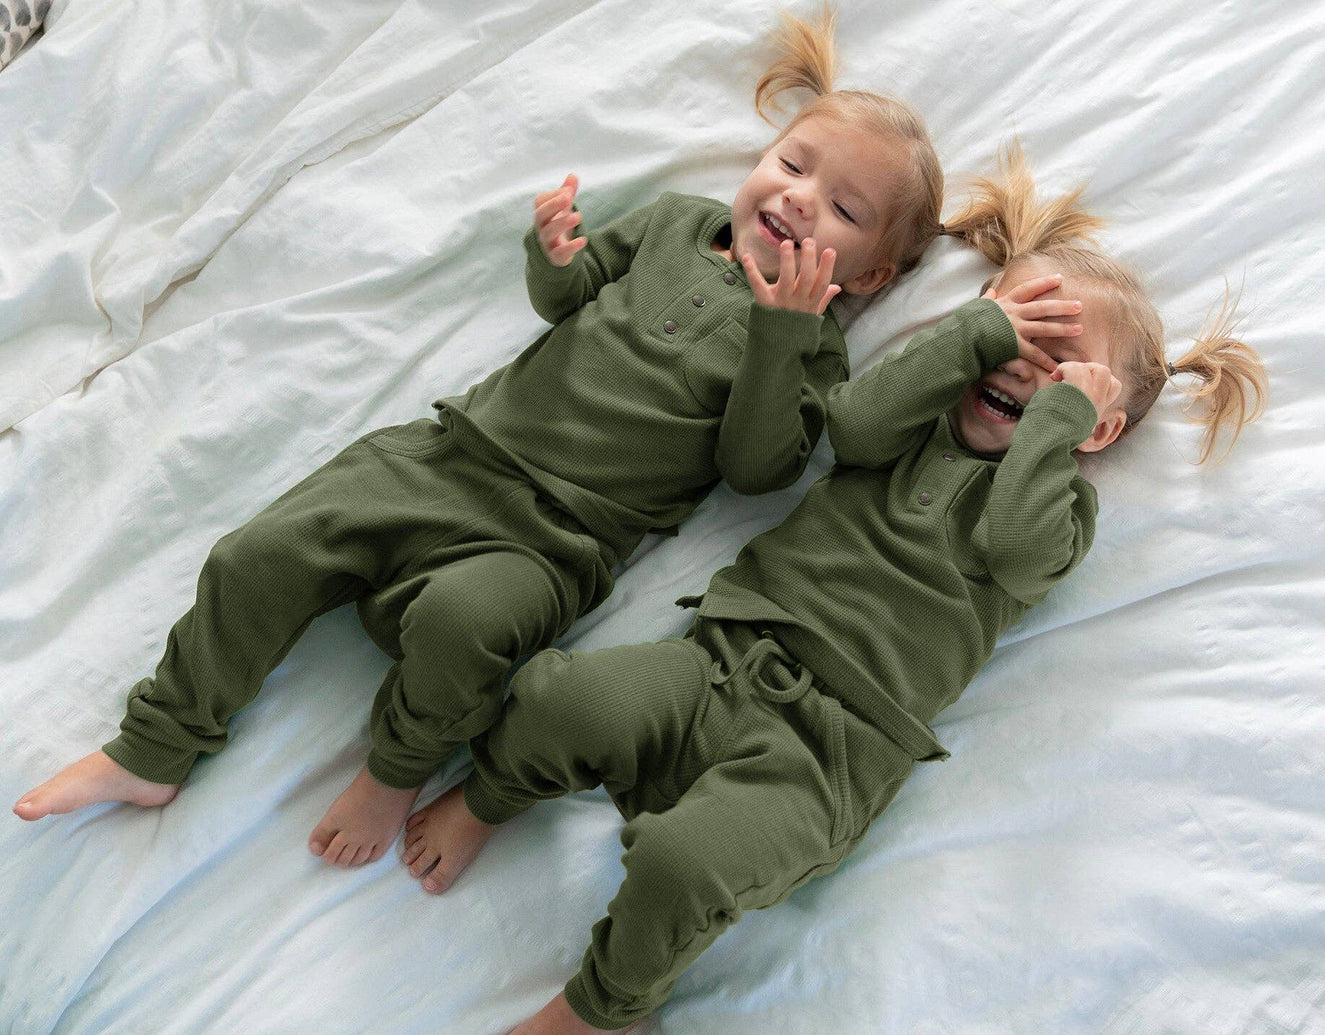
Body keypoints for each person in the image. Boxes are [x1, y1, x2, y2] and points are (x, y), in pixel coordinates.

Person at [11, 7, 963, 875]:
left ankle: (397, 766)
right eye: (793, 165)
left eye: (842, 209)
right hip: (446, 456)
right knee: (259, 553)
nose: (798, 199)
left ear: (871, 275)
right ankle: (157, 743)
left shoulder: (811, 358)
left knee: (466, 626)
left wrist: (781, 334)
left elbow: (756, 470)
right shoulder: (679, 225)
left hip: (550, 542)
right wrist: (551, 257)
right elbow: (570, 299)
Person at [393, 142, 1270, 1034]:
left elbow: (1010, 545)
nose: (1019, 366)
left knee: (683, 866)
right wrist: (974, 336)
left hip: (828, 753)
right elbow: (850, 424)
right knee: (561, 701)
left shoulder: (1057, 511)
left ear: (1096, 426)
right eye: (1012, 333)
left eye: (1058, 365)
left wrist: (1048, 428)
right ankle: (488, 795)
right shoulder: (914, 417)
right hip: (721, 657)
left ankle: (599, 1007)